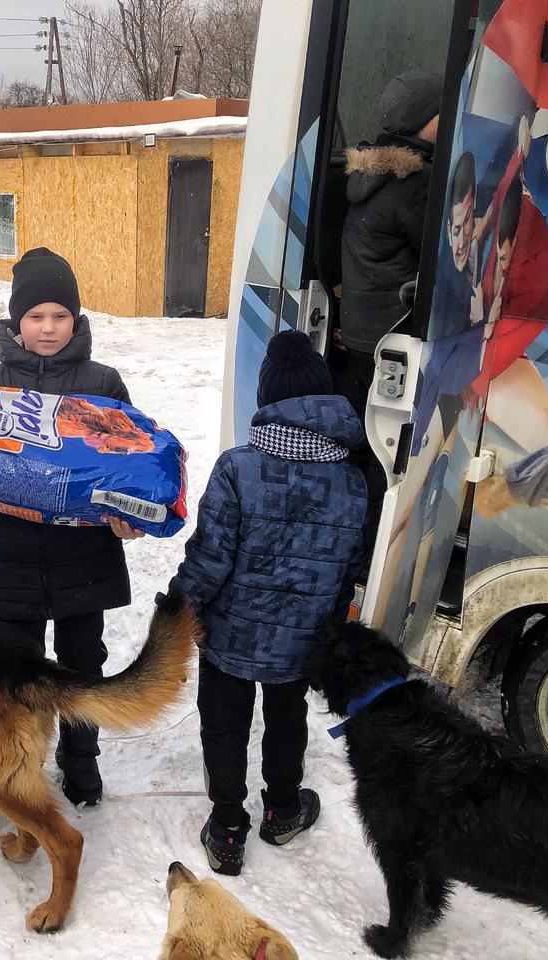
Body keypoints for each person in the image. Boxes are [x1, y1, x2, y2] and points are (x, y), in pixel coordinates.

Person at [0, 247, 142, 807]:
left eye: (60, 316)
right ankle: (18, 761)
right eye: (36, 316)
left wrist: (130, 516)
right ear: (16, 321)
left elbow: (131, 463)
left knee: (81, 663)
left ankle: (80, 759)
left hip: (85, 554)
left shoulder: (103, 382)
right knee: (14, 666)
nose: (48, 328)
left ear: (77, 319)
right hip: (13, 551)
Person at [170, 330, 367, 876]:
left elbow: (210, 558)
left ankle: (228, 828)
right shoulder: (352, 481)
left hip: (229, 636)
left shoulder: (238, 467)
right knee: (287, 717)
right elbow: (351, 567)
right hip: (302, 640)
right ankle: (283, 809)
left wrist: (178, 607)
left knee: (225, 725)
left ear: (267, 401)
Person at [338, 69, 442, 415]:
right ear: (424, 119)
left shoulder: (372, 171)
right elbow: (441, 259)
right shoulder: (416, 183)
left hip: (362, 330)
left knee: (363, 426)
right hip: (397, 333)